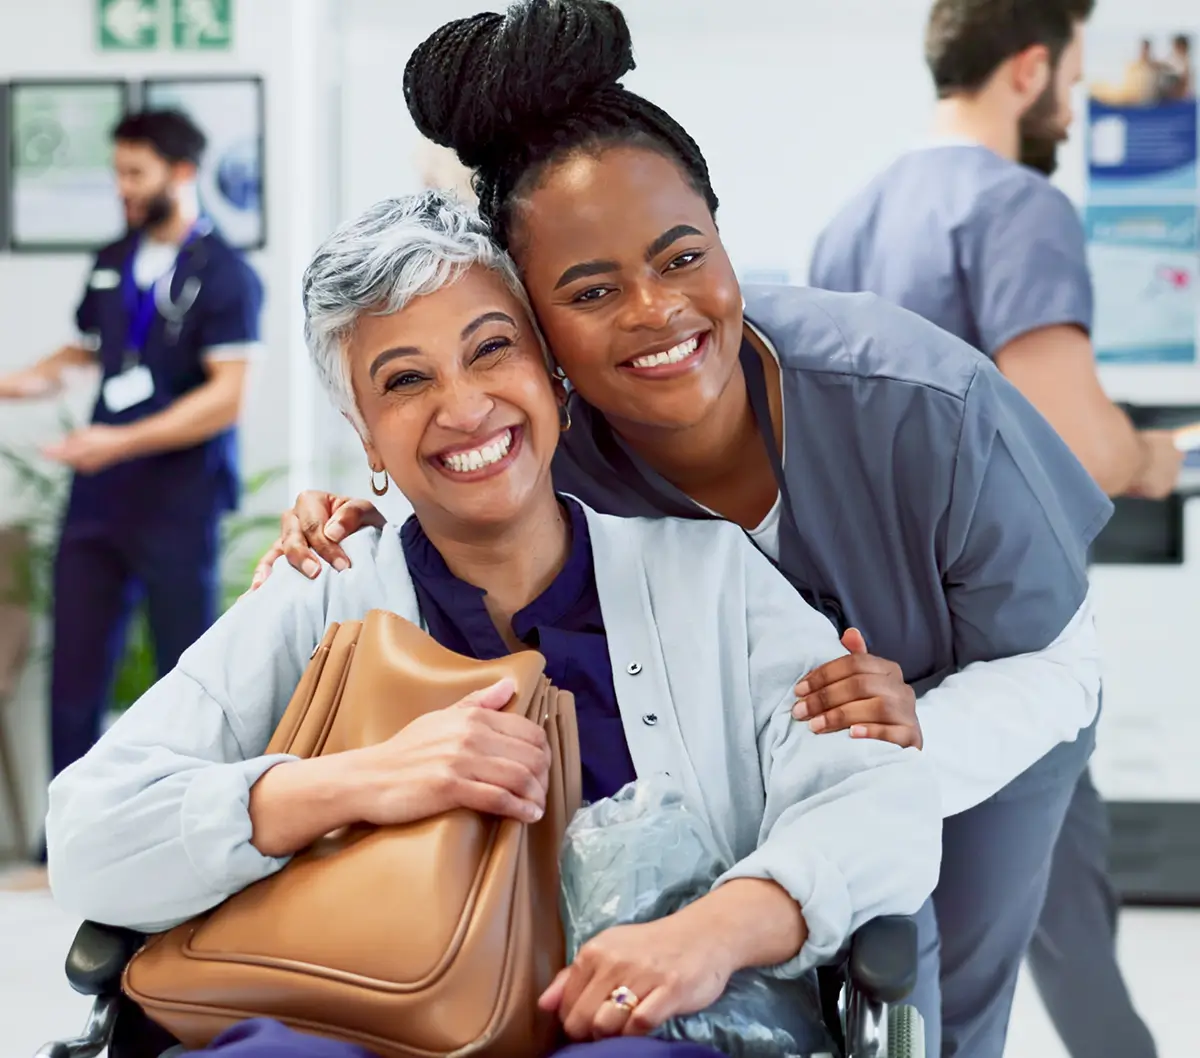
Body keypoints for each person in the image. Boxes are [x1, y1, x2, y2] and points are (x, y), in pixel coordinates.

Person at [253, 3, 1111, 1055]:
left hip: (980, 726)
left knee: (928, 999)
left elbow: (1064, 661)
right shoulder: (550, 444)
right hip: (751, 786)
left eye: (680, 254)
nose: (657, 310)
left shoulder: (919, 401)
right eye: (592, 288)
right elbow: (438, 491)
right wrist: (344, 526)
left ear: (718, 227)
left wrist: (904, 744)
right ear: (537, 329)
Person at [45, 190, 942, 1057]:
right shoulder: (321, 593)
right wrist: (355, 783)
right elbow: (88, 832)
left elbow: (876, 799)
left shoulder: (709, 578)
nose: (464, 406)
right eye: (404, 380)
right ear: (365, 437)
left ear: (551, 374)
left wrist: (714, 931)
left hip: (638, 1029)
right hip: (355, 1024)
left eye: (491, 350)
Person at [808, 2, 1167, 1057]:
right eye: (1071, 75)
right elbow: (1079, 442)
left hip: (874, 655)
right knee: (1014, 956)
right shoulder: (1020, 207)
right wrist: (1158, 453)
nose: (1074, 99)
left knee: (912, 950)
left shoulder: (853, 215)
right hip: (1010, 642)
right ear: (1027, 69)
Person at [0, 109, 263, 799]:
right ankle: (63, 840)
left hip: (178, 500)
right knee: (76, 673)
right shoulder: (113, 259)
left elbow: (225, 396)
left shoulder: (227, 275)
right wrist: (24, 379)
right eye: (116, 172)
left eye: (134, 174)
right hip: (99, 501)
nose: (121, 188)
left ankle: (194, 819)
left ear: (181, 174)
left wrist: (119, 441)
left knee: (187, 670)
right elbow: (93, 349)